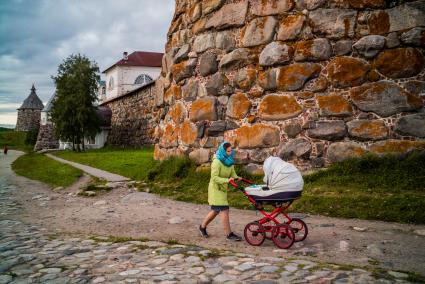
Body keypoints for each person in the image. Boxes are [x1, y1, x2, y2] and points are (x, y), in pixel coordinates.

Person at [199, 142, 242, 241]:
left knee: (215, 211)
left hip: (222, 189)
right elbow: (214, 178)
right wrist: (227, 180)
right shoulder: (217, 162)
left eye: (231, 151)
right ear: (223, 150)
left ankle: (202, 227)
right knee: (224, 209)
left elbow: (232, 172)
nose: (230, 153)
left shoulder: (229, 161)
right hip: (215, 189)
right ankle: (229, 234)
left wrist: (236, 177)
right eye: (228, 151)